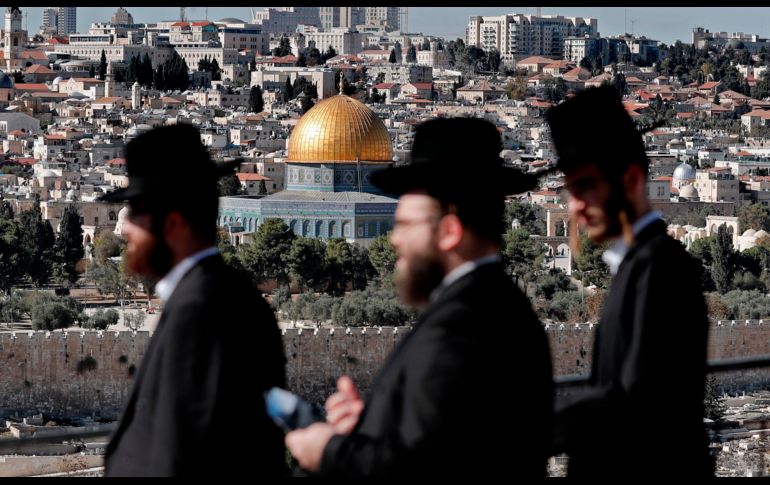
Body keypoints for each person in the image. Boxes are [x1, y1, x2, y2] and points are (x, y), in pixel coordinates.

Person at [285, 117, 554, 477]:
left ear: (448, 232)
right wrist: (371, 424)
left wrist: (328, 450)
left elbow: (418, 465)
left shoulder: (462, 327)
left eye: (406, 226)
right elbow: (445, 435)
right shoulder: (496, 307)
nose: (394, 240)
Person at [100, 124, 287, 477]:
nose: (124, 229)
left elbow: (188, 455)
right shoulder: (219, 296)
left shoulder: (203, 312)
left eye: (136, 213)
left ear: (173, 224)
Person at [545, 85, 712, 478]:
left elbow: (636, 407)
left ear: (632, 179)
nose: (575, 206)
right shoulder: (640, 267)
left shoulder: (660, 271)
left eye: (585, 186)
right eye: (571, 190)